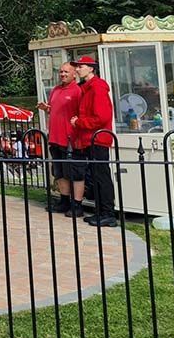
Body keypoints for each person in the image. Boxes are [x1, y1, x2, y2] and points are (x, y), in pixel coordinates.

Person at [70, 56, 118, 227]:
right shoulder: (87, 88)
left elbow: (101, 116)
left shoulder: (97, 87)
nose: (77, 69)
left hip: (98, 137)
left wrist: (79, 122)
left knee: (101, 175)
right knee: (95, 175)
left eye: (80, 66)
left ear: (91, 68)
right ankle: (101, 211)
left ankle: (108, 212)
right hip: (90, 138)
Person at [37, 62, 81, 213]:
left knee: (72, 172)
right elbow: (54, 109)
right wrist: (46, 108)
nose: (62, 74)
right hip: (54, 137)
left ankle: (77, 204)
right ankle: (64, 200)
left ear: (74, 73)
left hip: (69, 138)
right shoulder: (55, 89)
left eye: (66, 72)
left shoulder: (77, 91)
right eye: (61, 72)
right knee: (59, 171)